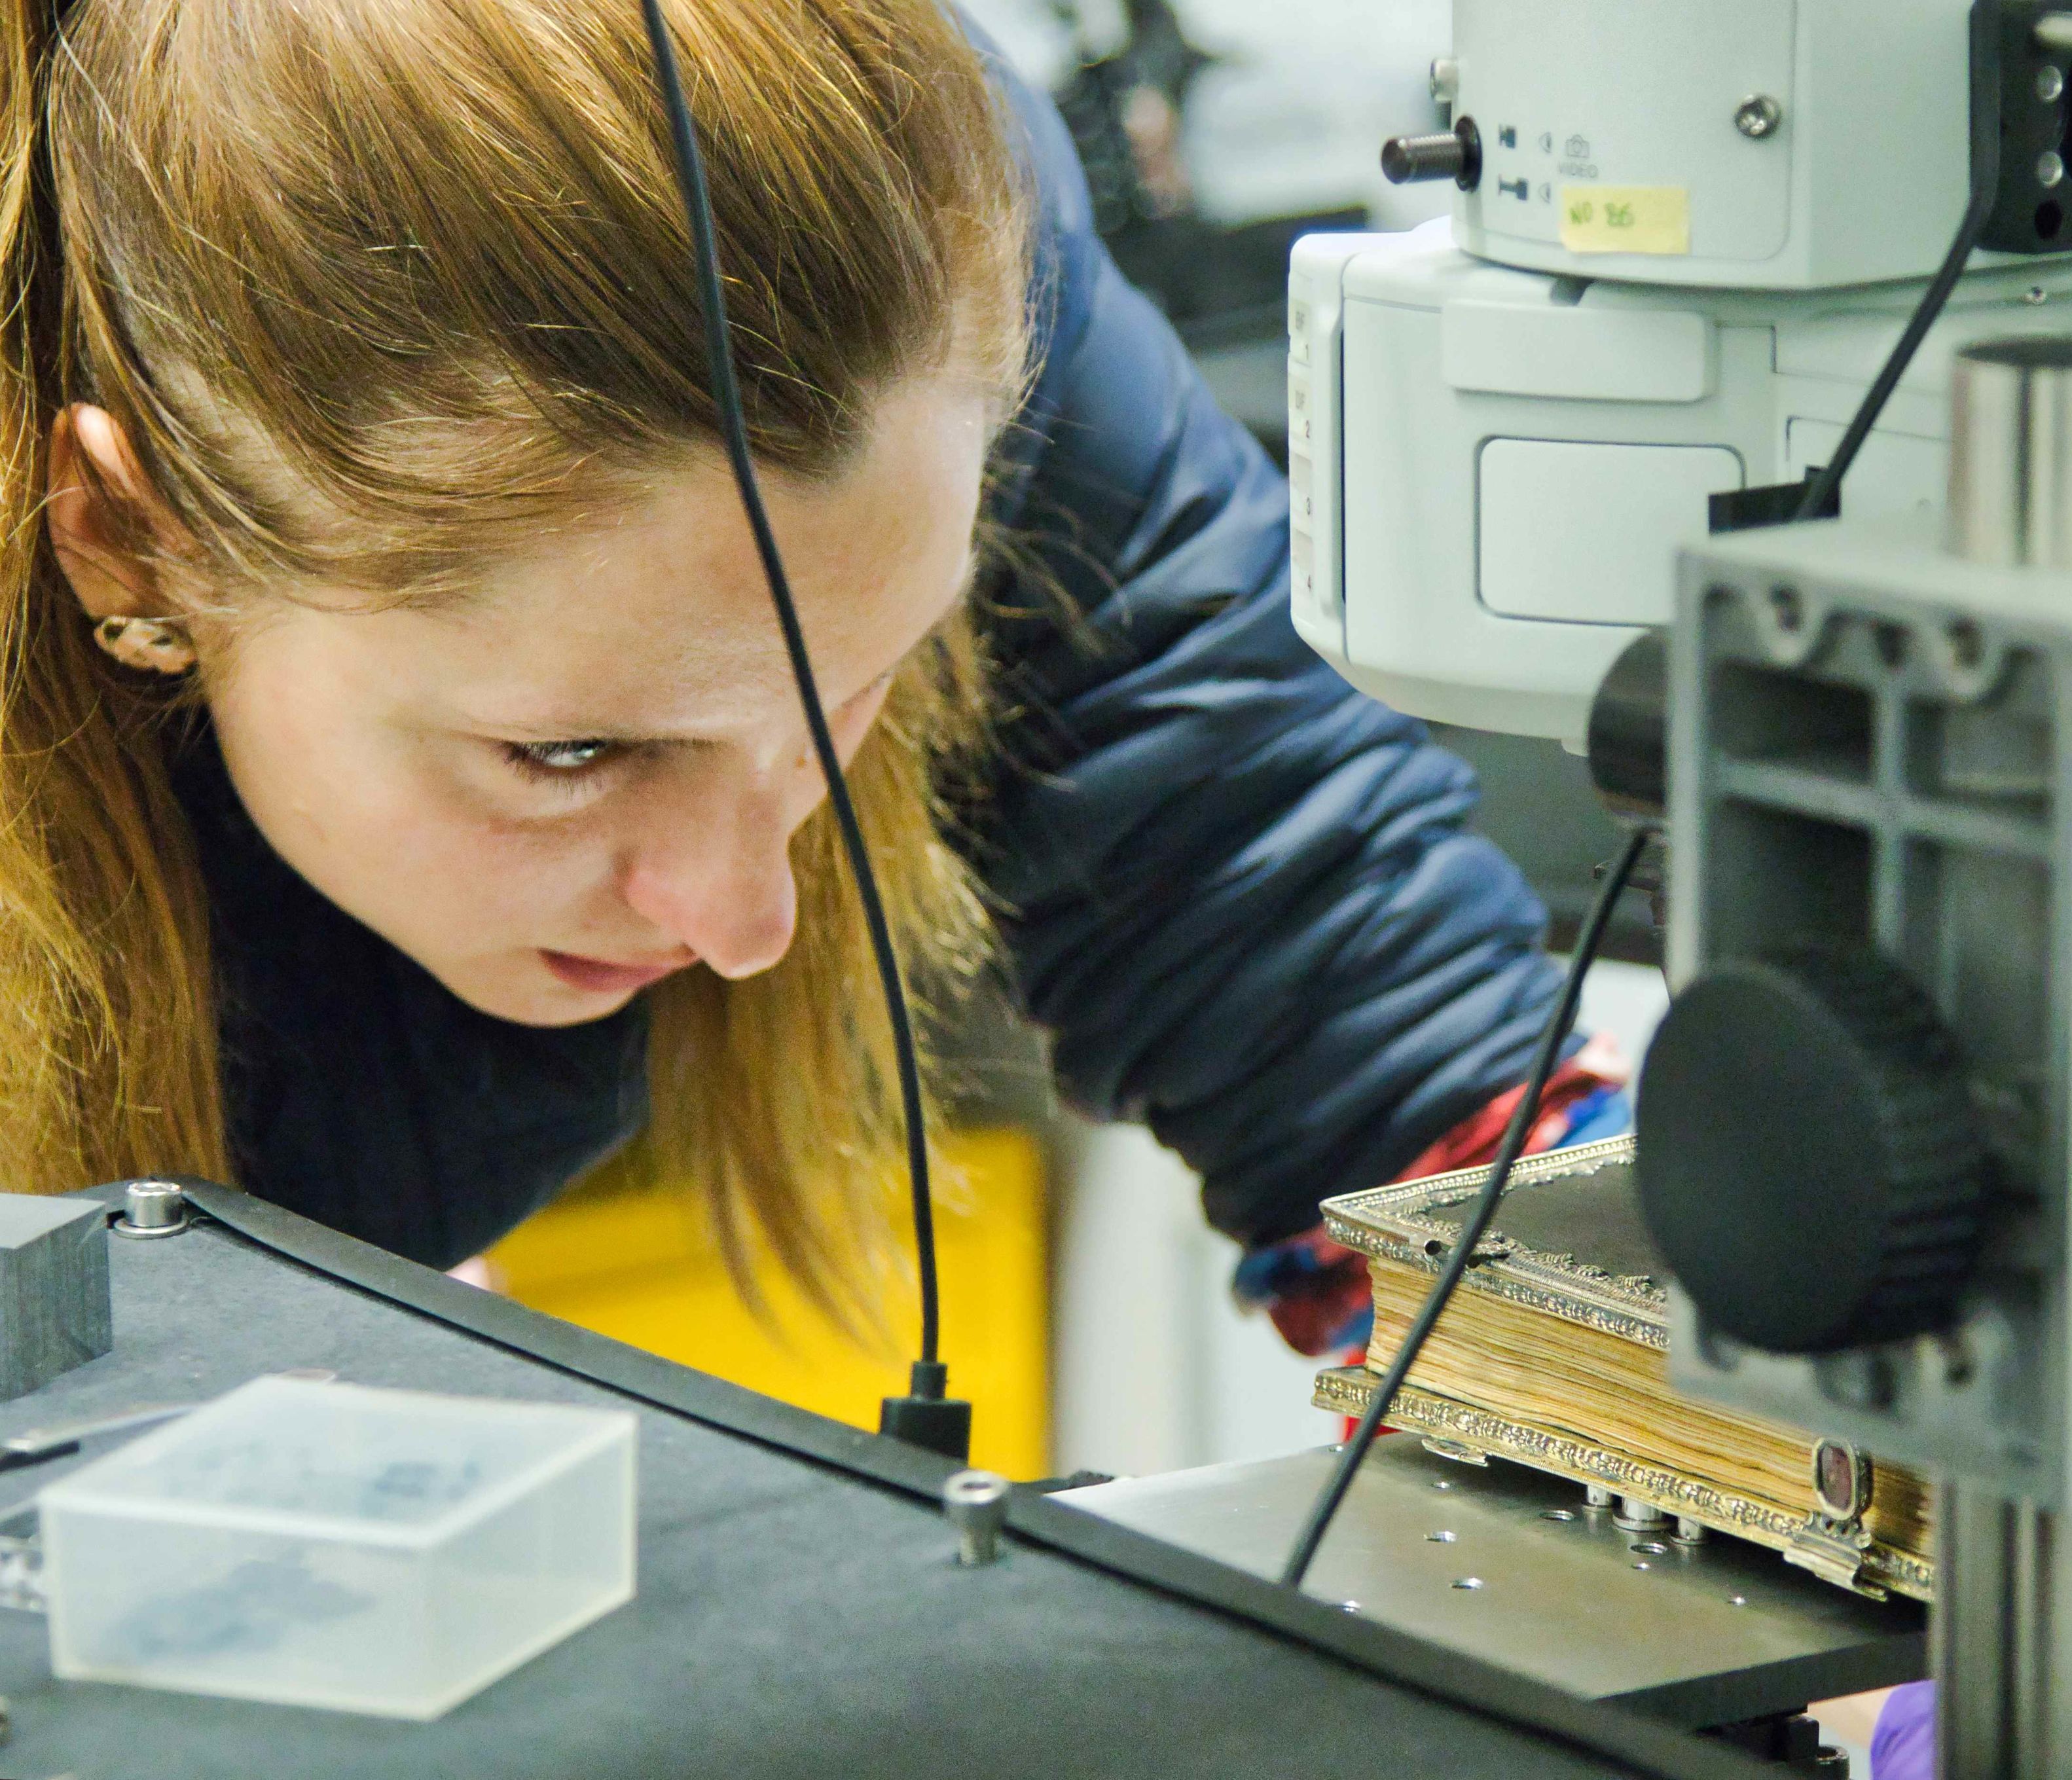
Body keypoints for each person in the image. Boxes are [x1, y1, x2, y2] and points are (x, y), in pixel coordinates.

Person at [3, 0, 1620, 1339]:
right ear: (127, 543)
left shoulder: (896, 214)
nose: (746, 919)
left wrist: (1687, 1400)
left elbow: (1281, 906)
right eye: (572, 755)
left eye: (858, 686)